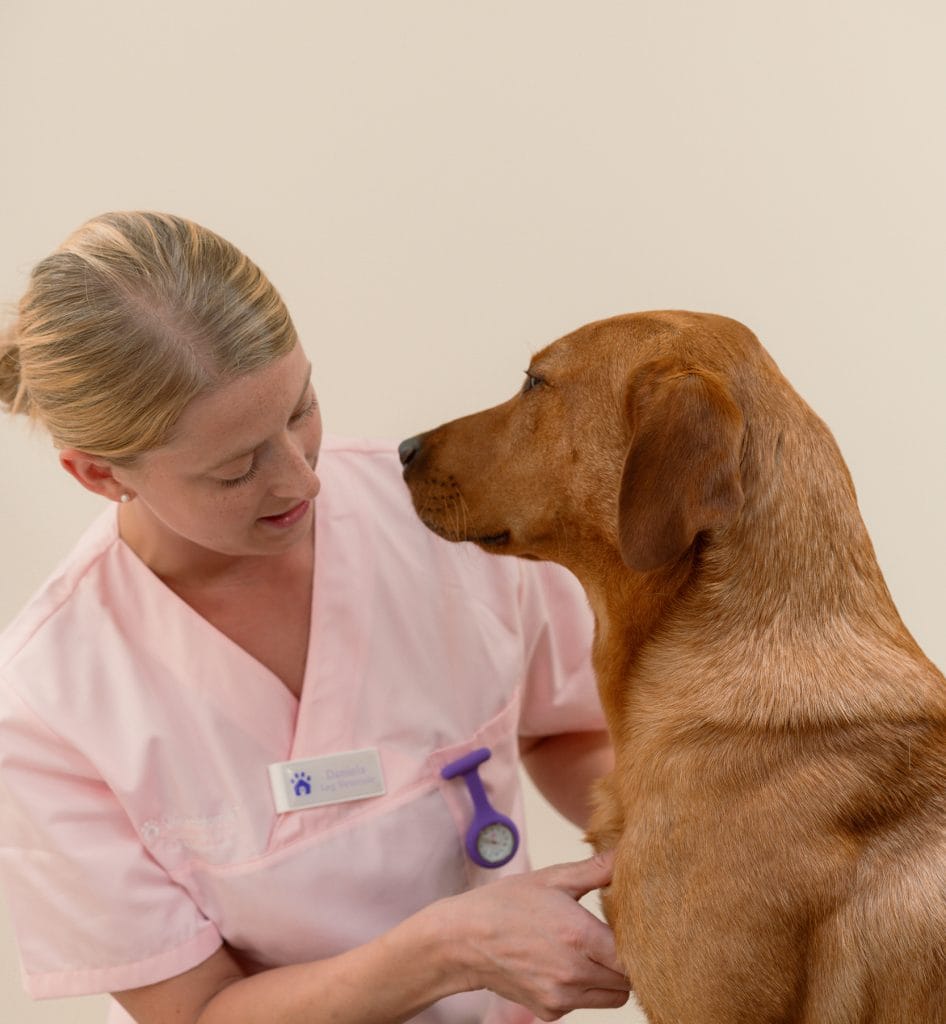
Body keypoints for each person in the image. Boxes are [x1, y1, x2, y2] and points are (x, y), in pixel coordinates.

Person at [0, 212, 630, 1024]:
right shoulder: (46, 706)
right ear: (97, 475)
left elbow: (568, 730)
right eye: (236, 470)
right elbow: (197, 1011)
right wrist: (450, 951)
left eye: (301, 410)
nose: (302, 481)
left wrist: (677, 847)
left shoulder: (442, 514)